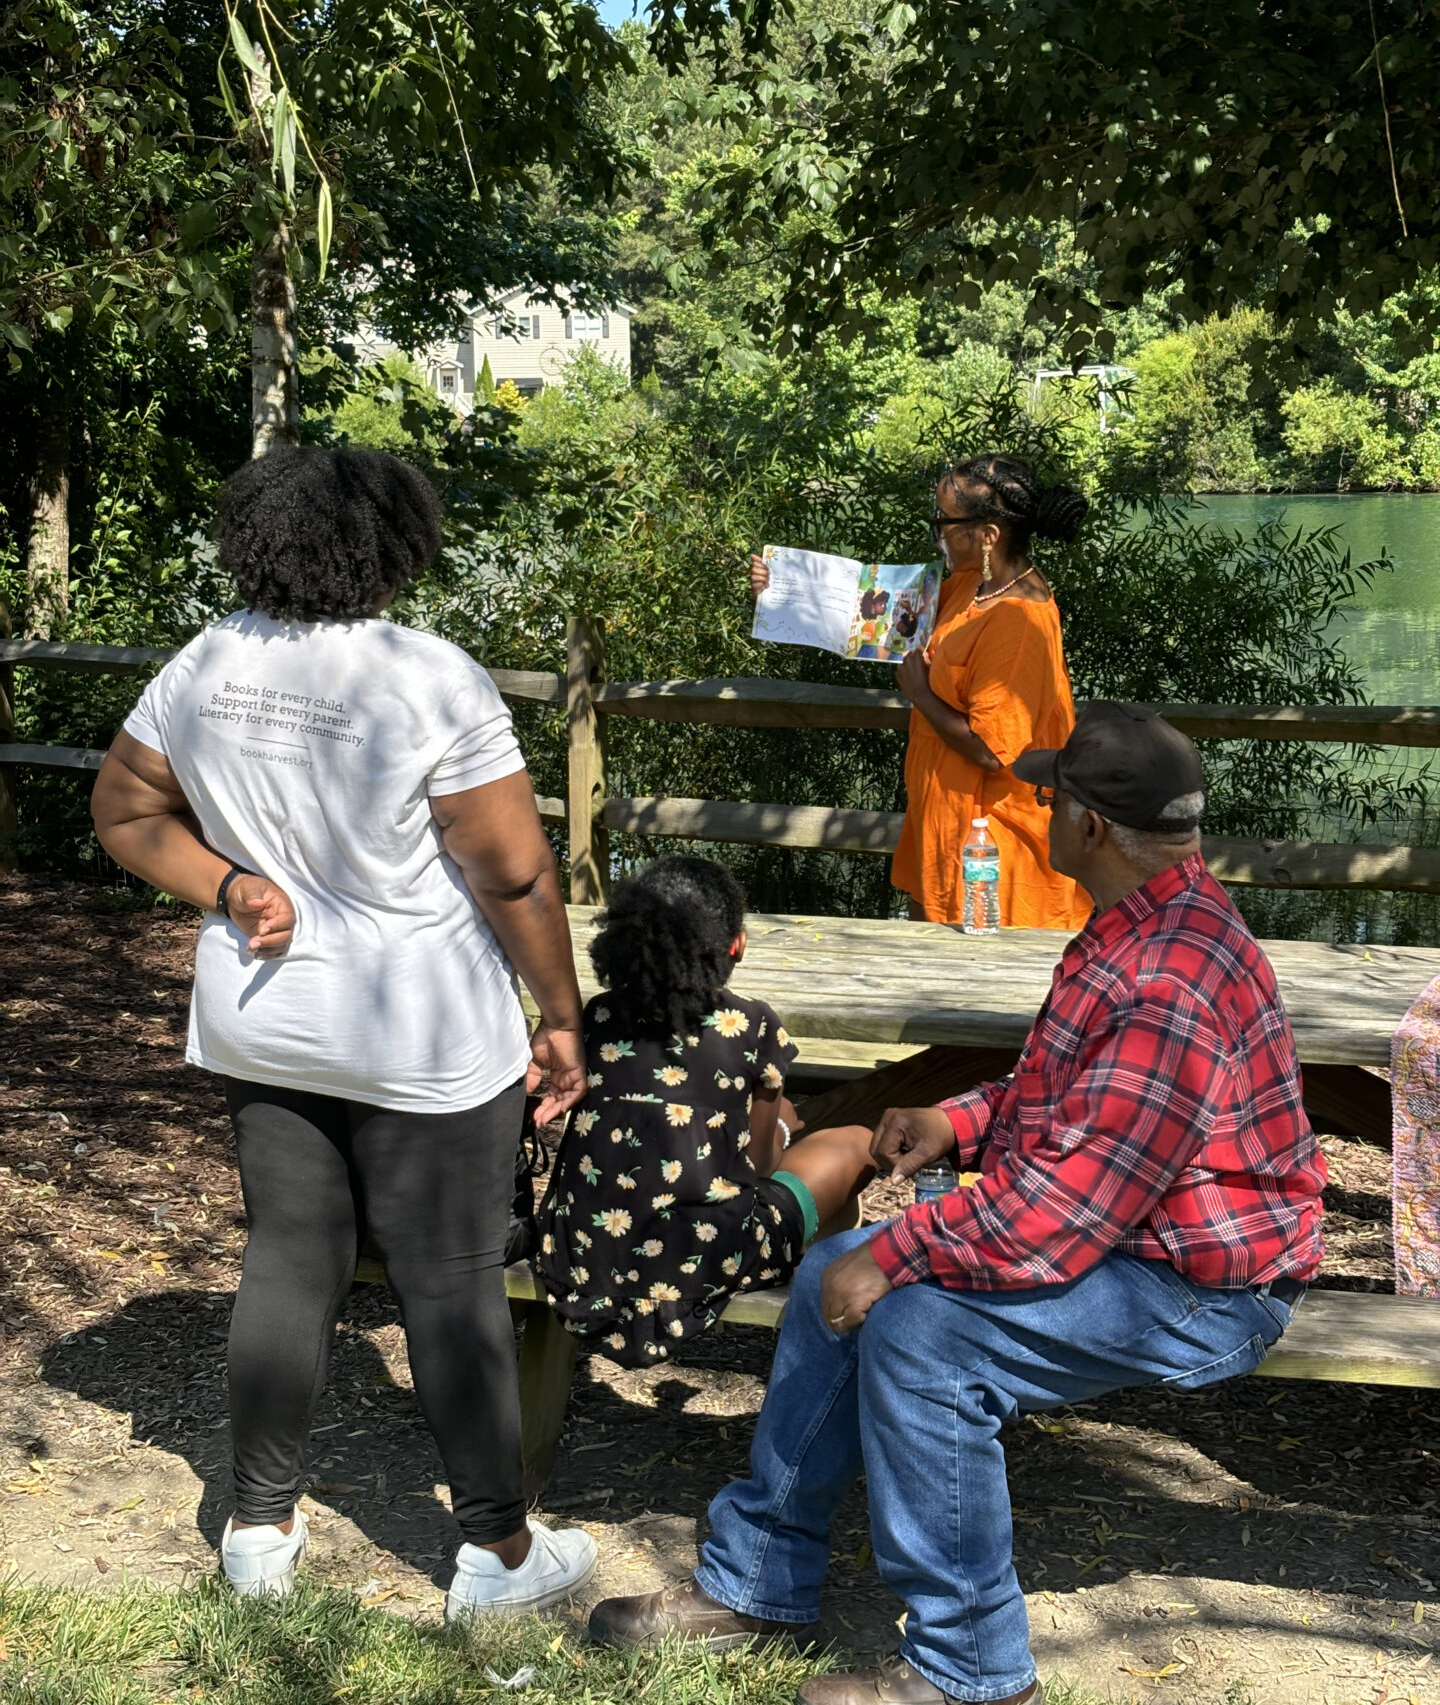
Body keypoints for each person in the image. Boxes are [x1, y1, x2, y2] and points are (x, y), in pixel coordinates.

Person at [587, 703, 1328, 1705]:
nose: (1038, 809)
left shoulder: (1169, 978)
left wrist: (896, 1254)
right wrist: (959, 1122)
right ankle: (756, 1587)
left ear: (1091, 827)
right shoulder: (1141, 925)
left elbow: (1064, 1213)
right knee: (824, 1274)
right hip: (1135, 1237)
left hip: (1201, 1284)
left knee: (922, 1331)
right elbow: (1060, 1095)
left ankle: (975, 1669)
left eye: (1048, 796)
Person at [90, 445, 596, 1619]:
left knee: (286, 1259)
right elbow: (515, 877)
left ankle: (258, 1531)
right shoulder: (431, 677)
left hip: (268, 1018)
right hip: (420, 1030)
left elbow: (123, 808)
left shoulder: (205, 660)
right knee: (452, 1280)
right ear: (395, 543)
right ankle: (497, 1556)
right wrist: (562, 1017)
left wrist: (227, 886)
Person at [536, 857, 875, 1367]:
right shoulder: (753, 1025)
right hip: (700, 1266)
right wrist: (780, 1122)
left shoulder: (596, 1016)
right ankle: (827, 1301)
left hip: (582, 1263)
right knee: (853, 1142)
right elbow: (761, 1166)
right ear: (736, 945)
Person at [751, 455, 1090, 929]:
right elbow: (867, 612)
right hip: (946, 826)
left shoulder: (1019, 620)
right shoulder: (973, 585)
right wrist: (783, 588)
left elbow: (994, 752)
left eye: (945, 523)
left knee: (981, 990)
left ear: (988, 535)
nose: (938, 535)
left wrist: (921, 695)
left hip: (993, 850)